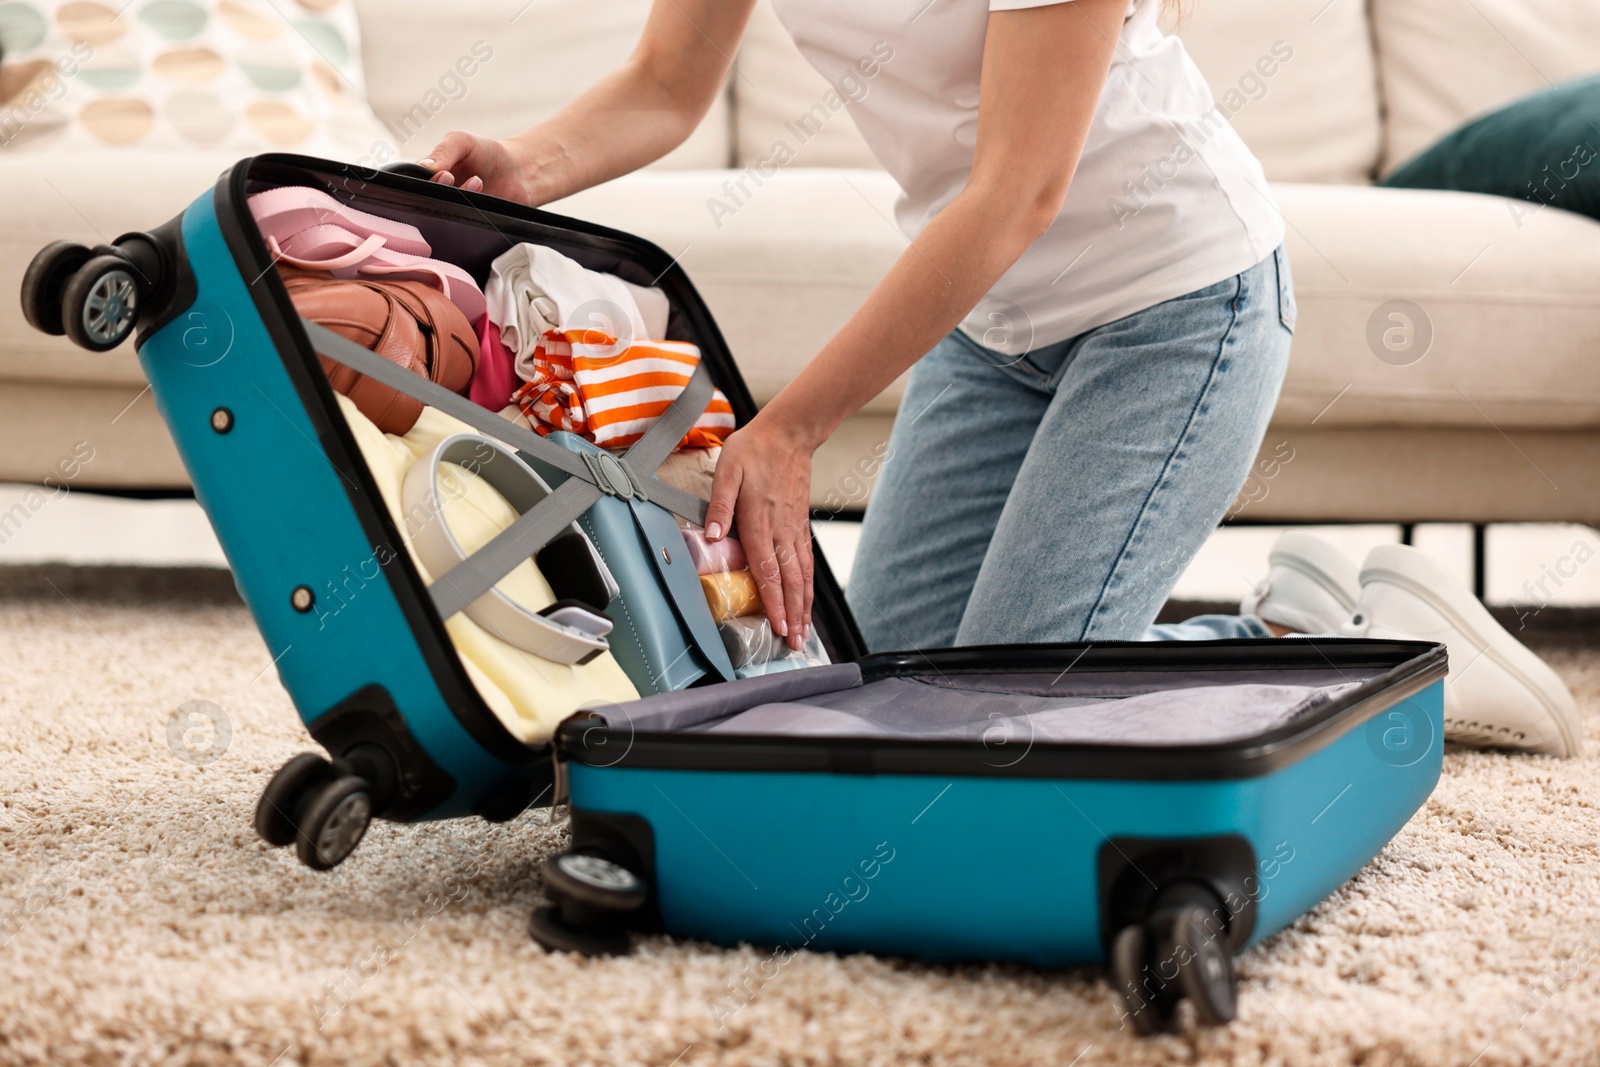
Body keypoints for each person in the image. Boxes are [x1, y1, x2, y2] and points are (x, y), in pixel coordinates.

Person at [422, 0, 1580, 757]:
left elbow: (1017, 191)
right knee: (886, 699)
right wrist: (528, 164)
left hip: (1176, 302)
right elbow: (666, 85)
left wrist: (790, 430)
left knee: (1004, 730)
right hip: (996, 329)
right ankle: (1293, 613)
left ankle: (1324, 638)